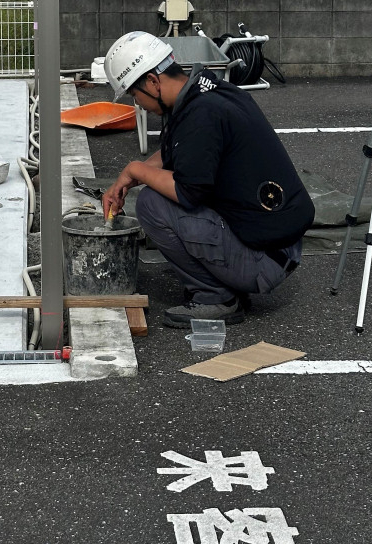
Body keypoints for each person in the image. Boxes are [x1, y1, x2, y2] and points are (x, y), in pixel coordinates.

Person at [101, 31, 314, 326]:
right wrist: (127, 177)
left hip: (265, 261)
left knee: (151, 203)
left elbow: (188, 193)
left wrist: (136, 170)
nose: (138, 105)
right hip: (278, 247)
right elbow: (174, 153)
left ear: (152, 81)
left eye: (135, 96)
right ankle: (227, 283)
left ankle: (217, 298)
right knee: (153, 184)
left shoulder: (200, 115)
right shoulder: (205, 91)